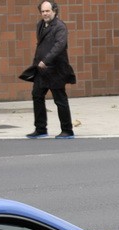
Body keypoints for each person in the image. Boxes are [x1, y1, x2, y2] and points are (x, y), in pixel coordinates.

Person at [26, 1, 77, 139]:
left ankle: (67, 130)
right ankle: (40, 129)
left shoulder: (60, 27)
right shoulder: (40, 25)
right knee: (37, 95)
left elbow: (59, 46)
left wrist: (46, 60)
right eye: (43, 11)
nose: (45, 14)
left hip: (56, 70)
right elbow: (41, 45)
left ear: (54, 11)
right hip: (41, 70)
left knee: (60, 100)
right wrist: (37, 63)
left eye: (47, 11)